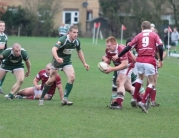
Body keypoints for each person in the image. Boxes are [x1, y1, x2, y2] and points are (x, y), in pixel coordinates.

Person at [117, 21, 163, 113]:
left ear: (142, 28)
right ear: (150, 28)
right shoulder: (154, 35)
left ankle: (134, 98)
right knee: (152, 83)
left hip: (139, 61)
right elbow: (160, 47)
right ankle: (143, 101)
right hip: (149, 60)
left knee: (140, 78)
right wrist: (161, 59)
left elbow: (128, 47)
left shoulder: (138, 36)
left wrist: (119, 56)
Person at [38, 25, 89, 106]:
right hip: (57, 62)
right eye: (74, 32)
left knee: (72, 77)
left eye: (77, 32)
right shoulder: (63, 39)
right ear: (69, 32)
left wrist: (84, 63)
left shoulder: (77, 41)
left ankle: (65, 99)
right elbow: (54, 49)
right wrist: (57, 58)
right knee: (51, 80)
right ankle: (41, 98)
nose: (76, 34)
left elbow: (79, 52)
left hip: (67, 62)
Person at [102, 36, 136, 110]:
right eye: (107, 46)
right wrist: (105, 60)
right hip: (120, 67)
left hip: (128, 66)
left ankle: (118, 104)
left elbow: (124, 64)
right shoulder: (108, 50)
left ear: (114, 44)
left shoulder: (121, 49)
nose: (107, 48)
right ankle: (142, 99)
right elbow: (107, 59)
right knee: (128, 87)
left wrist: (111, 69)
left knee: (119, 81)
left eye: (109, 46)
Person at [0, 20, 8, 94]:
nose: (2, 27)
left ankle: (0, 86)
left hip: (2, 57)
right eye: (0, 26)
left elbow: (5, 48)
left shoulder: (5, 36)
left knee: (4, 71)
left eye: (3, 26)